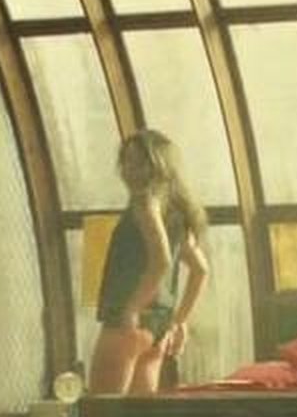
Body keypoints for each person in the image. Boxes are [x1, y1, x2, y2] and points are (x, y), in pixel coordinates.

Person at [89, 130, 211, 396]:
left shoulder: (145, 203)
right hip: (158, 328)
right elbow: (200, 271)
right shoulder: (176, 211)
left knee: (102, 411)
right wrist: (179, 321)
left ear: (159, 165)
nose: (129, 170)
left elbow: (161, 259)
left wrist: (132, 309)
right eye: (126, 161)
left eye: (139, 163)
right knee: (139, 416)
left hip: (127, 322)